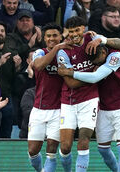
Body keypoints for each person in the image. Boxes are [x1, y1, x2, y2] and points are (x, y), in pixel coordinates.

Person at [57, 16, 120, 172]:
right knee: (65, 147)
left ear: (84, 28)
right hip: (68, 101)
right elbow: (70, 83)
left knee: (84, 140)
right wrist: (92, 76)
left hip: (89, 99)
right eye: (70, 32)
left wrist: (101, 39)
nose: (74, 35)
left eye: (77, 30)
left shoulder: (93, 38)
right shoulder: (63, 50)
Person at [27, 23, 72, 172]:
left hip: (59, 109)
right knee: (33, 151)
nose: (52, 38)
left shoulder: (67, 55)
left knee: (51, 149)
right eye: (49, 36)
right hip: (39, 109)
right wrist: (56, 49)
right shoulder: (39, 52)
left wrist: (60, 50)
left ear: (61, 37)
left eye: (55, 36)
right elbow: (39, 66)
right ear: (44, 38)